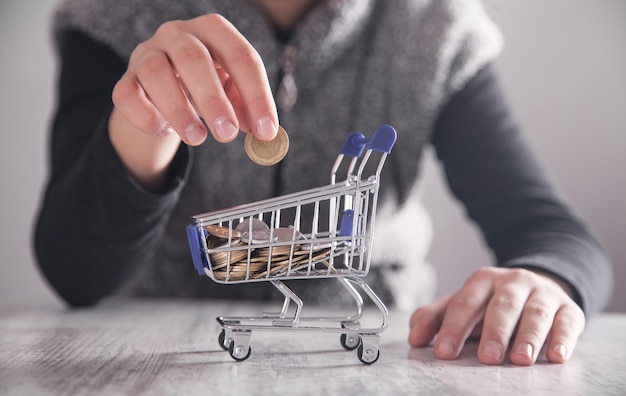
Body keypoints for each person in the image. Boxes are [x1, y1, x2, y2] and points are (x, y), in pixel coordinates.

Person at [35, 0, 613, 367]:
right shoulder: (117, 17)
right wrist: (150, 123)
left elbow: (553, 232)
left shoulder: (431, 27)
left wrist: (545, 278)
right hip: (152, 353)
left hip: (389, 356)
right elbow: (75, 271)